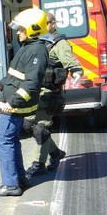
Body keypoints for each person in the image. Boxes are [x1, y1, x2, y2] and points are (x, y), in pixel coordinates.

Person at [0, 8, 49, 197]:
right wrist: (1, 84)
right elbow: (16, 75)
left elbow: (31, 84)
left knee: (5, 142)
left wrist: (12, 102)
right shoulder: (29, 47)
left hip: (13, 106)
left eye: (21, 29)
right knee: (12, 141)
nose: (17, 32)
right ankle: (20, 179)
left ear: (33, 29)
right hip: (11, 103)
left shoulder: (36, 51)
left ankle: (10, 184)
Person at [25, 12, 83, 178]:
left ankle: (39, 164)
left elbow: (70, 61)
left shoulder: (59, 43)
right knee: (28, 126)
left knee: (40, 128)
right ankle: (56, 152)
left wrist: (76, 71)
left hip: (49, 92)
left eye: (45, 23)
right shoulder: (40, 41)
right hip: (35, 91)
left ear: (52, 24)